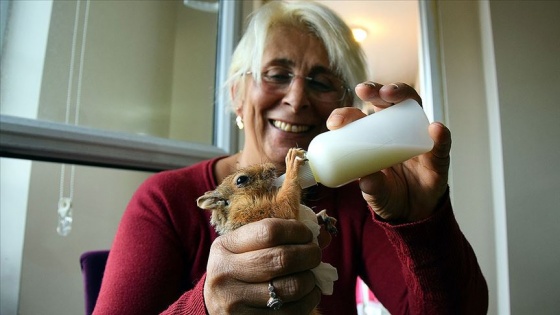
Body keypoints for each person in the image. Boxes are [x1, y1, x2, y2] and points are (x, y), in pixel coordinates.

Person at [94, 1, 488, 314]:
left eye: (322, 81)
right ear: (237, 94)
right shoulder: (167, 200)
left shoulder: (357, 200)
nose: (297, 99)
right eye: (277, 74)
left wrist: (419, 221)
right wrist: (207, 308)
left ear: (345, 105)